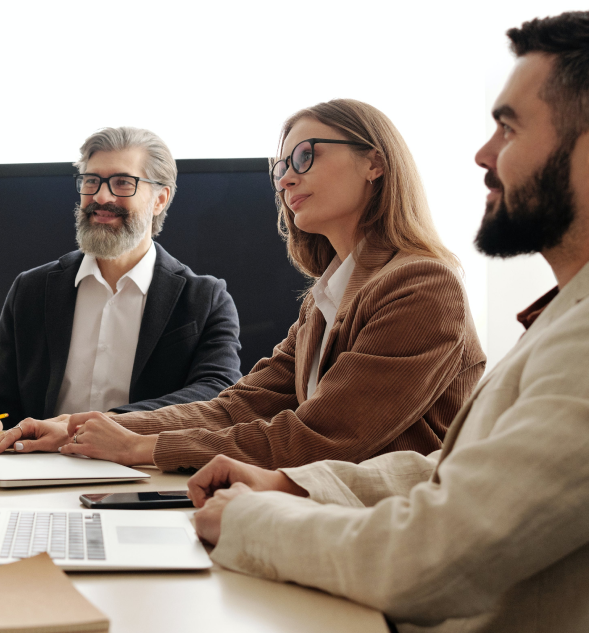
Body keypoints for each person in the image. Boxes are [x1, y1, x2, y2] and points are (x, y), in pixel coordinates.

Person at [185, 11, 589, 632]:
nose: (483, 153)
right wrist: (294, 487)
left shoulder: (433, 287)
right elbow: (450, 470)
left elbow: (436, 554)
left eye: (508, 128)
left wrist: (251, 519)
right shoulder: (566, 313)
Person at [0, 100, 485, 469]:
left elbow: (324, 436)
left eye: (305, 157)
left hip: (387, 533)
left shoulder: (423, 285)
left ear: (375, 162)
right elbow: (241, 405)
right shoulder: (327, 295)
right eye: (282, 166)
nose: (286, 179)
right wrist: (78, 428)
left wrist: (143, 446)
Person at [0, 127, 242, 439]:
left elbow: (216, 393)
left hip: (145, 470)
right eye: (92, 181)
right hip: (39, 473)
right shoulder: (31, 289)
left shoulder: (206, 298)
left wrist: (102, 423)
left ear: (160, 199)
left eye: (122, 182)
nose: (101, 197)